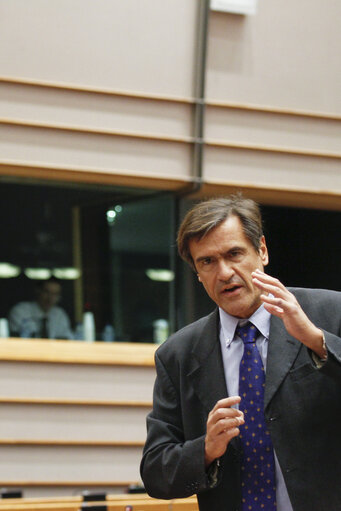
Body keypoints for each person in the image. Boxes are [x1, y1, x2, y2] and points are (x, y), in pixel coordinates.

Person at [140, 195, 341, 511]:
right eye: (207, 261)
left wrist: (318, 342)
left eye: (234, 254)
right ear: (196, 272)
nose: (224, 272)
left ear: (261, 250)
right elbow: (155, 474)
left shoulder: (329, 313)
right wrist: (205, 450)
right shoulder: (178, 354)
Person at [8, 276, 73, 339]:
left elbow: (67, 339)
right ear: (38, 291)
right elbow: (15, 338)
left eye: (55, 294)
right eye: (47, 292)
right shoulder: (20, 311)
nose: (50, 298)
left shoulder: (60, 315)